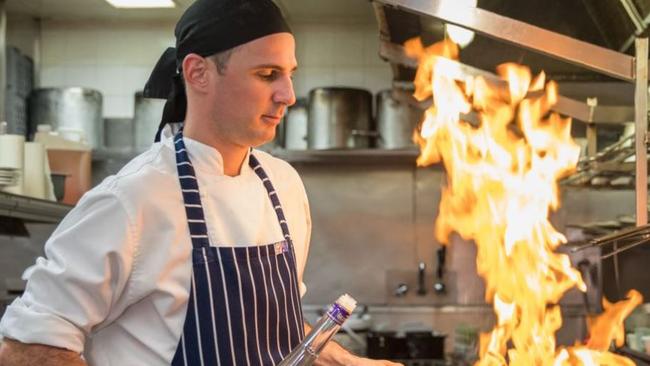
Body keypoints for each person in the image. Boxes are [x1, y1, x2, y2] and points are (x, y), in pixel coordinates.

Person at [0, 0, 401, 365]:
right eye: (267, 74)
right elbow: (27, 348)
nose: (289, 95)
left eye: (290, 74)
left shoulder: (284, 186)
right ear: (198, 72)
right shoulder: (132, 199)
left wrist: (349, 362)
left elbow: (273, 330)